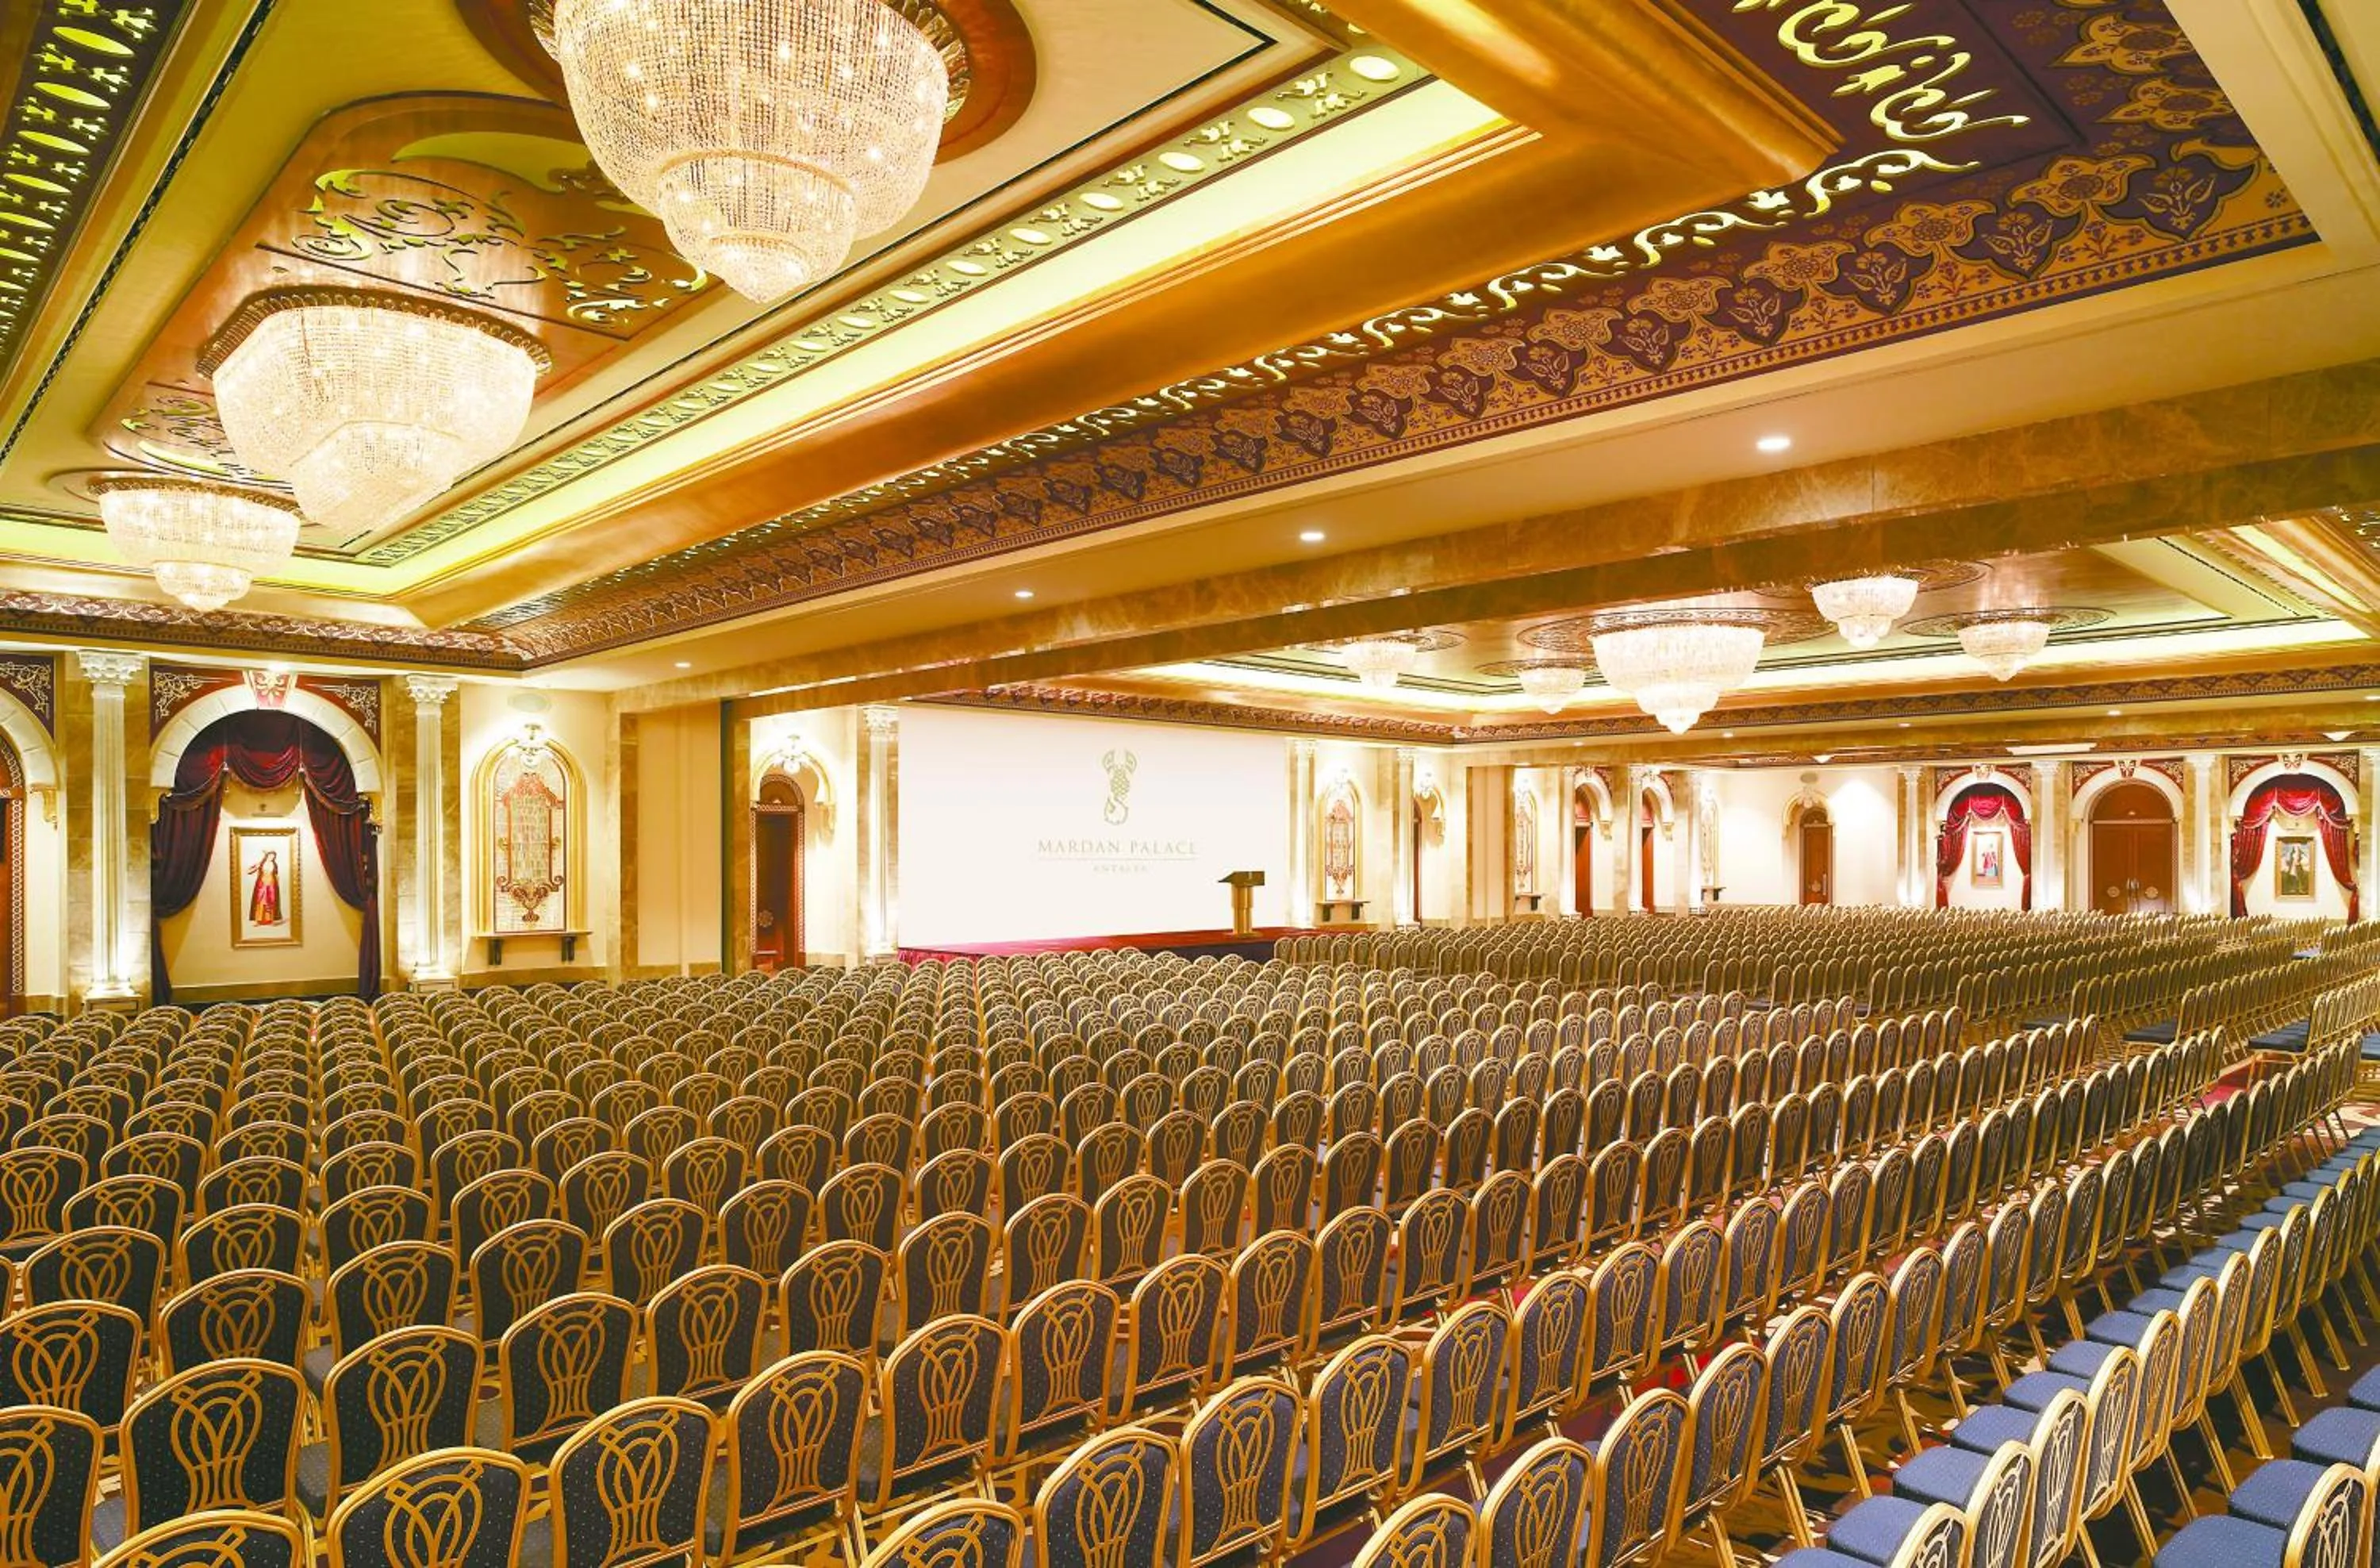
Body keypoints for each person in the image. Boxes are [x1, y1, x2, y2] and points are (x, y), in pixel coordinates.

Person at [248, 849, 283, 927]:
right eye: (270, 856)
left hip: (271, 885)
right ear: (267, 856)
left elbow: (276, 875)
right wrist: (256, 867)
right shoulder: (261, 864)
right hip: (261, 885)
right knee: (260, 902)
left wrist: (277, 885)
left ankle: (271, 920)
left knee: (271, 902)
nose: (271, 857)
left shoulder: (275, 865)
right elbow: (249, 871)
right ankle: (258, 921)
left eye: (273, 856)